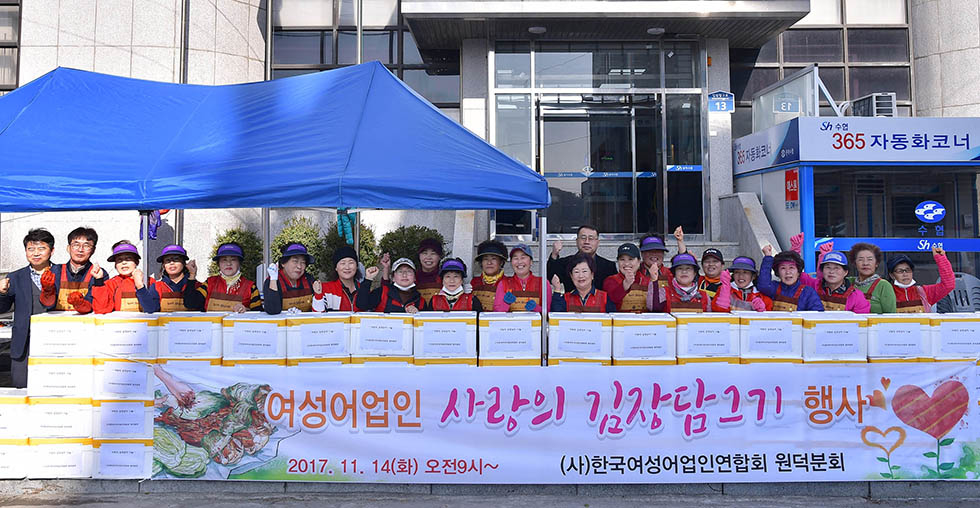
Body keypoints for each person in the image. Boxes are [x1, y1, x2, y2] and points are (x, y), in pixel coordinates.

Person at [0, 229, 56, 387]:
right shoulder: (15, 277)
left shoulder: (61, 273)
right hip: (23, 345)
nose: (36, 253)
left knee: (53, 387)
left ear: (51, 251)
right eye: (31, 249)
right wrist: (2, 293)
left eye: (41, 248)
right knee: (22, 387)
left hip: (55, 341)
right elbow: (3, 309)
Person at [788, 236, 870, 313]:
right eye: (828, 267)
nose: (831, 271)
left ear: (845, 272)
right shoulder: (813, 286)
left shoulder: (856, 296)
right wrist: (795, 251)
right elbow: (795, 275)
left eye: (836, 268)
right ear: (822, 270)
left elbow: (862, 320)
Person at [38, 227, 108, 312]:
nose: (80, 249)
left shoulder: (99, 274)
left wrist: (80, 303)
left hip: (86, 320)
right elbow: (47, 305)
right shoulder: (55, 271)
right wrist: (47, 291)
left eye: (86, 245)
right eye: (76, 245)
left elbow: (96, 305)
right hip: (57, 320)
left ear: (93, 250)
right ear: (68, 248)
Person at [185, 242, 261, 313]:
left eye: (233, 259)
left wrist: (246, 310)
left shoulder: (251, 287)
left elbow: (259, 314)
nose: (228, 263)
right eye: (224, 260)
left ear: (240, 263)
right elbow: (190, 304)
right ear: (218, 264)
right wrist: (192, 275)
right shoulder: (209, 283)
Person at [90, 241, 161, 314]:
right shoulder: (111, 284)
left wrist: (140, 286)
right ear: (115, 265)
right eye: (119, 260)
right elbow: (101, 310)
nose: (124, 263)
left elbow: (152, 310)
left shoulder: (149, 281)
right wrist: (99, 281)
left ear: (136, 262)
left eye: (128, 259)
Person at [647, 253, 729, 313]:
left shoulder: (704, 296)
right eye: (680, 268)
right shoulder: (665, 292)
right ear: (674, 273)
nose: (684, 272)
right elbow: (653, 308)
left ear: (695, 273)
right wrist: (654, 281)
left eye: (688, 268)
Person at [547, 225, 617, 291]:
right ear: (577, 241)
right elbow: (549, 278)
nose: (587, 242)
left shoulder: (609, 266)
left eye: (591, 238)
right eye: (583, 238)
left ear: (597, 242)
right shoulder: (566, 263)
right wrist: (554, 254)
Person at [887, 245, 955, 313]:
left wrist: (941, 259)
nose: (905, 274)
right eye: (900, 271)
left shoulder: (924, 292)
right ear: (892, 275)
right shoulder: (886, 294)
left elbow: (948, 285)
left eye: (908, 270)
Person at [757, 245, 823, 312]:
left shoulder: (808, 292)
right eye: (783, 268)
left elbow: (817, 313)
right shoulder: (774, 288)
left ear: (798, 272)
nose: (788, 272)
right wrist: (768, 257)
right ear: (778, 273)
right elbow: (763, 285)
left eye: (791, 268)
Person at [494, 244, 553, 313]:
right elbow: (496, 313)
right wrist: (505, 304)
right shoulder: (503, 283)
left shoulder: (543, 283)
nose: (519, 262)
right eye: (515, 258)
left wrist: (536, 308)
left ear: (531, 262)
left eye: (523, 257)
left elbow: (548, 312)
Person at [356, 254, 424, 313]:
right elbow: (362, 305)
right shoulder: (382, 292)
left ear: (415, 277)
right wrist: (368, 279)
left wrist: (418, 314)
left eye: (409, 271)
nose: (404, 275)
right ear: (393, 278)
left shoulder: (420, 300)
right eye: (400, 272)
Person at [551, 253, 617, 312]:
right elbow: (556, 316)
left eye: (584, 271)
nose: (581, 276)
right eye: (576, 272)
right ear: (571, 276)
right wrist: (557, 290)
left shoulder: (605, 298)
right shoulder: (565, 299)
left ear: (592, 275)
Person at [264, 243, 317, 314]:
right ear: (283, 263)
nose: (299, 266)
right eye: (295, 261)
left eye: (303, 262)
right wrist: (273, 280)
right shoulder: (271, 281)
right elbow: (272, 310)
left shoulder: (309, 280)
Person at [848, 242, 897, 313]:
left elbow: (891, 316)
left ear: (876, 263)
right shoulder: (848, 282)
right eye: (861, 259)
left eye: (870, 259)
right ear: (854, 263)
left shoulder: (884, 285)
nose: (865, 263)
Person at [151, 245, 202, 313]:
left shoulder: (198, 286)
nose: (172, 263)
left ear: (184, 263)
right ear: (163, 265)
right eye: (167, 260)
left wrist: (192, 277)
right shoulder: (156, 287)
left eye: (176, 259)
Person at [602, 242, 651, 312]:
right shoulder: (610, 281)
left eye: (631, 259)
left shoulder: (648, 281)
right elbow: (609, 304)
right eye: (622, 259)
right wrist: (625, 285)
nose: (626, 263)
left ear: (639, 261)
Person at [313, 245, 360, 311]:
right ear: (336, 268)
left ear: (357, 266)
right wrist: (318, 295)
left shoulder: (364, 289)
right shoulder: (326, 289)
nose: (347, 267)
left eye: (351, 263)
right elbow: (317, 315)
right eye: (343, 263)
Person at [470, 240, 507, 311]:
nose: (489, 263)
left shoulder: (508, 283)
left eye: (494, 259)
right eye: (485, 259)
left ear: (501, 262)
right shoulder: (474, 282)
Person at [415, 238, 443, 302]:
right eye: (425, 253)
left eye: (433, 253)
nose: (428, 257)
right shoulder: (411, 277)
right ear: (419, 256)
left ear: (439, 257)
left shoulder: (445, 277)